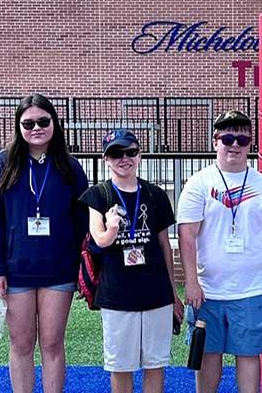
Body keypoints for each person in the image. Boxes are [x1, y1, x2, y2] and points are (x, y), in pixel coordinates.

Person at [0, 93, 89, 393]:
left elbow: (83, 221)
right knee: (21, 343)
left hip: (59, 270)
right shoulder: (1, 164)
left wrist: (84, 267)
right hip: (16, 272)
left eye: (43, 121)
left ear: (55, 123)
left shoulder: (70, 166)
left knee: (53, 343)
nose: (36, 128)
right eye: (28, 123)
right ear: (18, 126)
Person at [176, 110, 262, 393]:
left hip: (252, 289)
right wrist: (191, 282)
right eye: (227, 138)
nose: (234, 145)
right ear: (215, 141)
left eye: (241, 139)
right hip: (209, 290)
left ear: (250, 143)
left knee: (248, 354)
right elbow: (187, 235)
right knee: (208, 353)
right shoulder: (198, 183)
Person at [79, 129, 183, 393]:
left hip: (156, 293)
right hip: (117, 295)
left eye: (130, 152)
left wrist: (173, 294)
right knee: (120, 366)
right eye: (116, 153)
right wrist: (112, 228)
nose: (124, 158)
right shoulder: (98, 195)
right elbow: (99, 239)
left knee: (155, 364)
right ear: (106, 159)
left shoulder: (155, 195)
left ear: (140, 155)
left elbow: (164, 246)